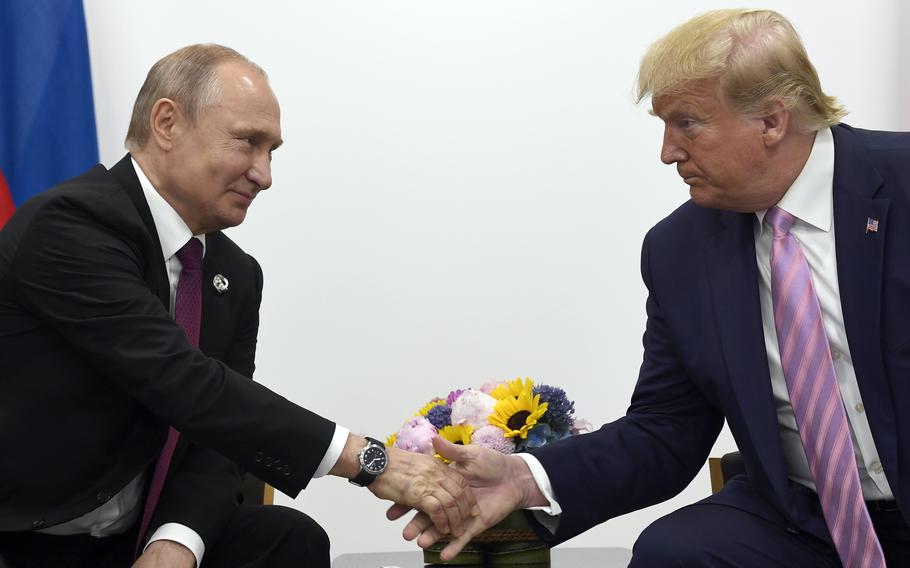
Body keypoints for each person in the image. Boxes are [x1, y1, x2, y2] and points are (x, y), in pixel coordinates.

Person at [395, 9, 910, 567]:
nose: (667, 151)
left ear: (771, 120)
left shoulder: (901, 184)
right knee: (674, 553)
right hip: (803, 519)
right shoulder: (679, 249)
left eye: (687, 123)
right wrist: (524, 477)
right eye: (663, 125)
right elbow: (666, 429)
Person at [0, 44, 476, 568]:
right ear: (167, 123)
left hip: (132, 536)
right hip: (24, 536)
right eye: (248, 142)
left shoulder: (236, 274)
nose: (264, 174)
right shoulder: (70, 225)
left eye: (272, 151)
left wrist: (176, 542)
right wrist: (368, 461)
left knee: (289, 539)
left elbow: (218, 437)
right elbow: (181, 379)